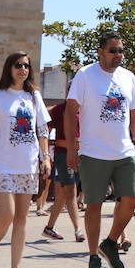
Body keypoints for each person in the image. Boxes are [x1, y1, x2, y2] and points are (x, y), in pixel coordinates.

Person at [65, 32, 135, 268]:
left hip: (124, 151)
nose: (118, 55)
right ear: (100, 52)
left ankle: (110, 242)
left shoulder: (128, 77)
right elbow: (71, 113)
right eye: (113, 50)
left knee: (131, 200)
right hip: (93, 152)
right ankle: (93, 257)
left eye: (121, 50)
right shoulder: (85, 75)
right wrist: (72, 148)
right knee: (94, 206)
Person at [0, 51, 50, 268]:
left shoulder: (34, 97)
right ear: (9, 67)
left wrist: (45, 157)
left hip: (27, 164)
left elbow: (42, 130)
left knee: (21, 219)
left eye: (26, 66)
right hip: (2, 164)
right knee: (7, 214)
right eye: (18, 65)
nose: (22, 69)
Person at [42, 100, 84, 243]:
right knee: (70, 190)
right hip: (63, 155)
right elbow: (45, 130)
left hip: (82, 154)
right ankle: (78, 230)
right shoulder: (59, 109)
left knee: (63, 195)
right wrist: (46, 153)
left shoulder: (87, 108)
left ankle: (49, 227)